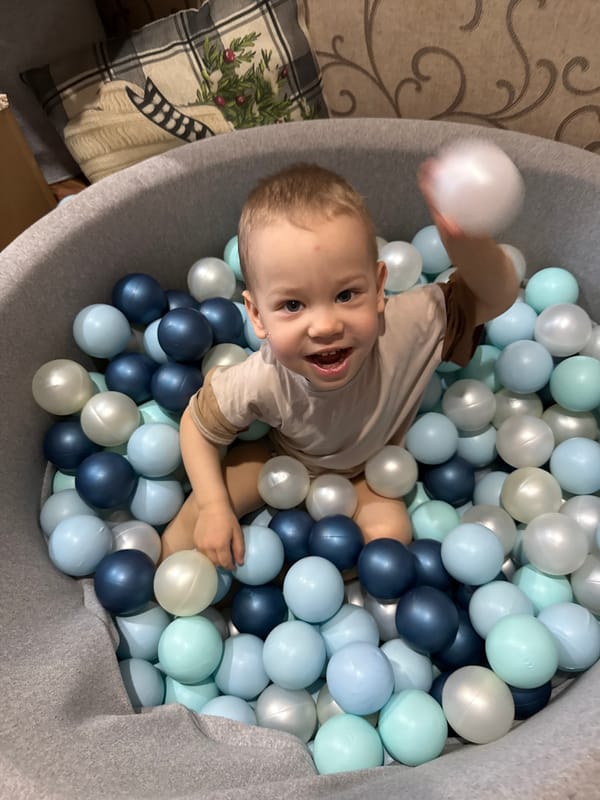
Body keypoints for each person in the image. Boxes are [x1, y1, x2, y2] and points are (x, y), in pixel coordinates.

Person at [161, 161, 520, 570]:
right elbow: (197, 425)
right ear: (256, 316)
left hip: (371, 471)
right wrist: (213, 506)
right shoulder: (262, 377)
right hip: (281, 458)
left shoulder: (406, 325)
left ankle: (302, 583)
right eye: (292, 305)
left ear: (379, 288)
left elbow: (493, 297)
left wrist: (468, 243)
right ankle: (155, 575)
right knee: (199, 516)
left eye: (346, 295)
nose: (326, 326)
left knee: (389, 540)